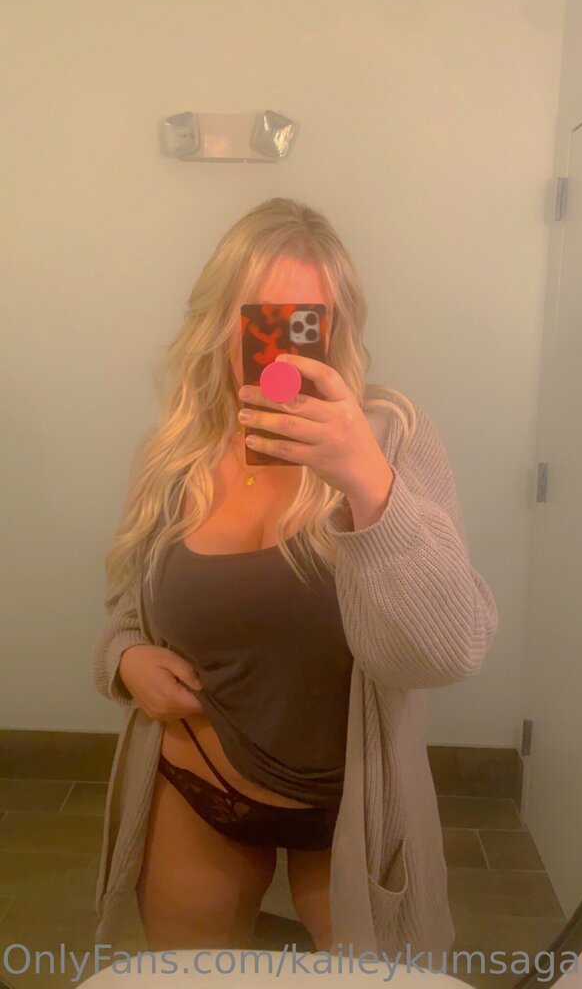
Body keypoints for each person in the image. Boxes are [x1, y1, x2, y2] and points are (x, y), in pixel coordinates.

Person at [92, 196, 499, 964]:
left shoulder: (391, 437)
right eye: (261, 316)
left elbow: (450, 650)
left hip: (352, 806)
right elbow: (129, 604)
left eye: (306, 321)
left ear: (335, 328)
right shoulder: (175, 451)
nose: (280, 345)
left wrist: (367, 483)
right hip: (196, 775)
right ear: (220, 319)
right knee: (192, 981)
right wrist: (123, 658)